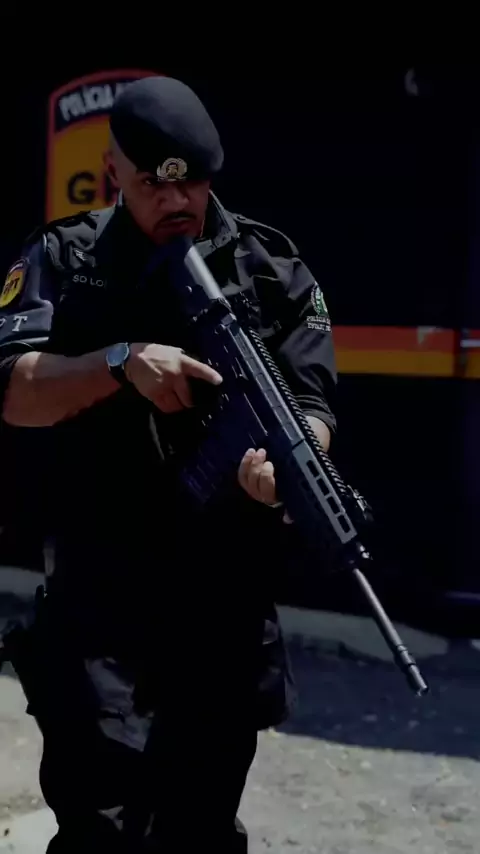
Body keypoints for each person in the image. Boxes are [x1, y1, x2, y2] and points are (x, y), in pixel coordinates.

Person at [0, 76, 337, 852]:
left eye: (193, 182)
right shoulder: (66, 256)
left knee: (201, 830)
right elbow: (14, 391)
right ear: (113, 170)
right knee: (103, 830)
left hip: (223, 605)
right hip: (101, 602)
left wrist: (293, 465)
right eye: (154, 184)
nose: (177, 200)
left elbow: (314, 402)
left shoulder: (269, 265)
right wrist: (119, 363)